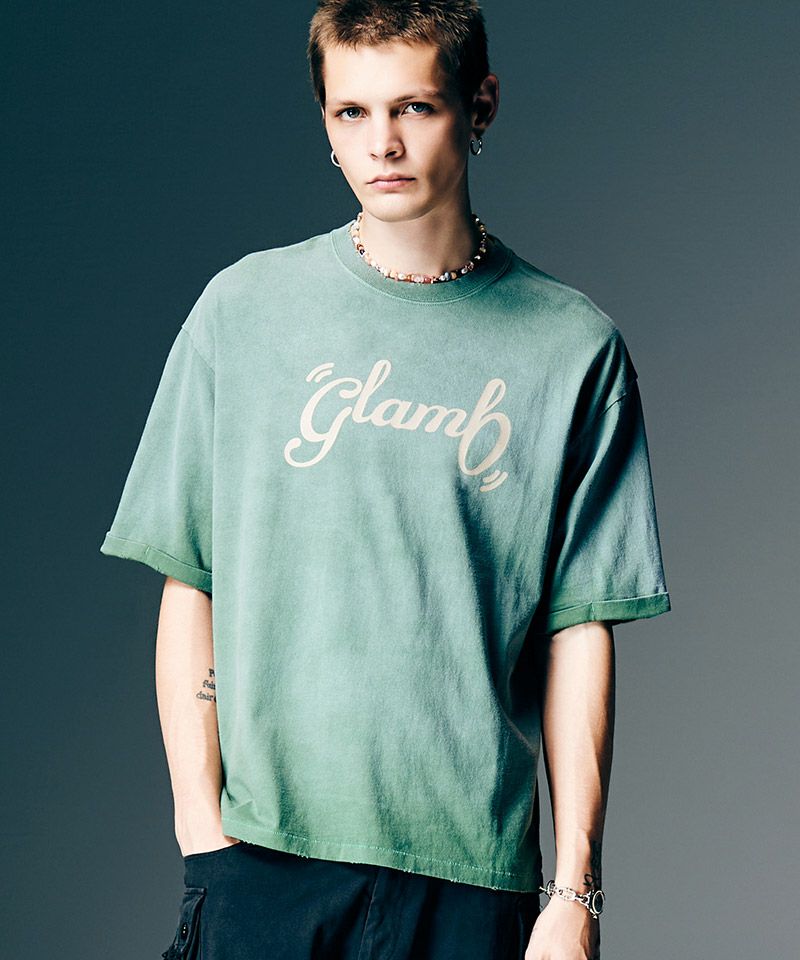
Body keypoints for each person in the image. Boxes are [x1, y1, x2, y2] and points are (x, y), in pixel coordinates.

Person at [99, 2, 671, 959]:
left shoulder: (573, 348)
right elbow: (190, 579)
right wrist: (201, 829)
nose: (383, 145)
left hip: (471, 881)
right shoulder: (243, 312)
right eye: (351, 113)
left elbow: (581, 633)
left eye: (415, 107)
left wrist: (574, 891)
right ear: (325, 122)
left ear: (480, 106)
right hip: (263, 866)